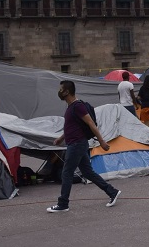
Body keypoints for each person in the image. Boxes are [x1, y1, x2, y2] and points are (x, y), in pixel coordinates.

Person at [48, 80, 121, 212]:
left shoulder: (77, 106)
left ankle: (63, 204)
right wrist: (60, 138)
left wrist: (102, 142)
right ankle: (112, 192)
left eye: (61, 89)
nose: (59, 92)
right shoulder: (70, 107)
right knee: (88, 172)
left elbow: (91, 124)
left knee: (67, 173)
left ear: (67, 92)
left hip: (77, 144)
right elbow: (71, 127)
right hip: (77, 144)